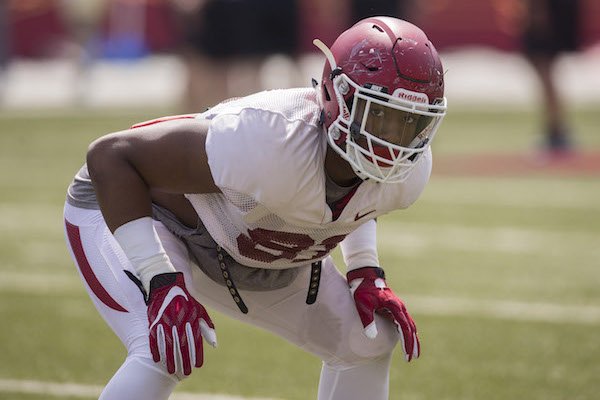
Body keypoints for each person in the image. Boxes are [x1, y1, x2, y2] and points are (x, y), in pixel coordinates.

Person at [63, 16, 447, 400]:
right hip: (145, 214)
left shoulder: (409, 170)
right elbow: (111, 157)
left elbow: (362, 199)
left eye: (409, 123)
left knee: (368, 342)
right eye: (378, 115)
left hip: (246, 241)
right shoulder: (270, 139)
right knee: (162, 348)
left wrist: (365, 267)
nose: (392, 142)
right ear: (338, 97)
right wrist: (159, 278)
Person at [519, 0, 581, 153]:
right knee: (546, 68)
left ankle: (557, 131)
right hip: (555, 8)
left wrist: (537, 11)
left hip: (548, 9)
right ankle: (556, 128)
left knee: (544, 66)